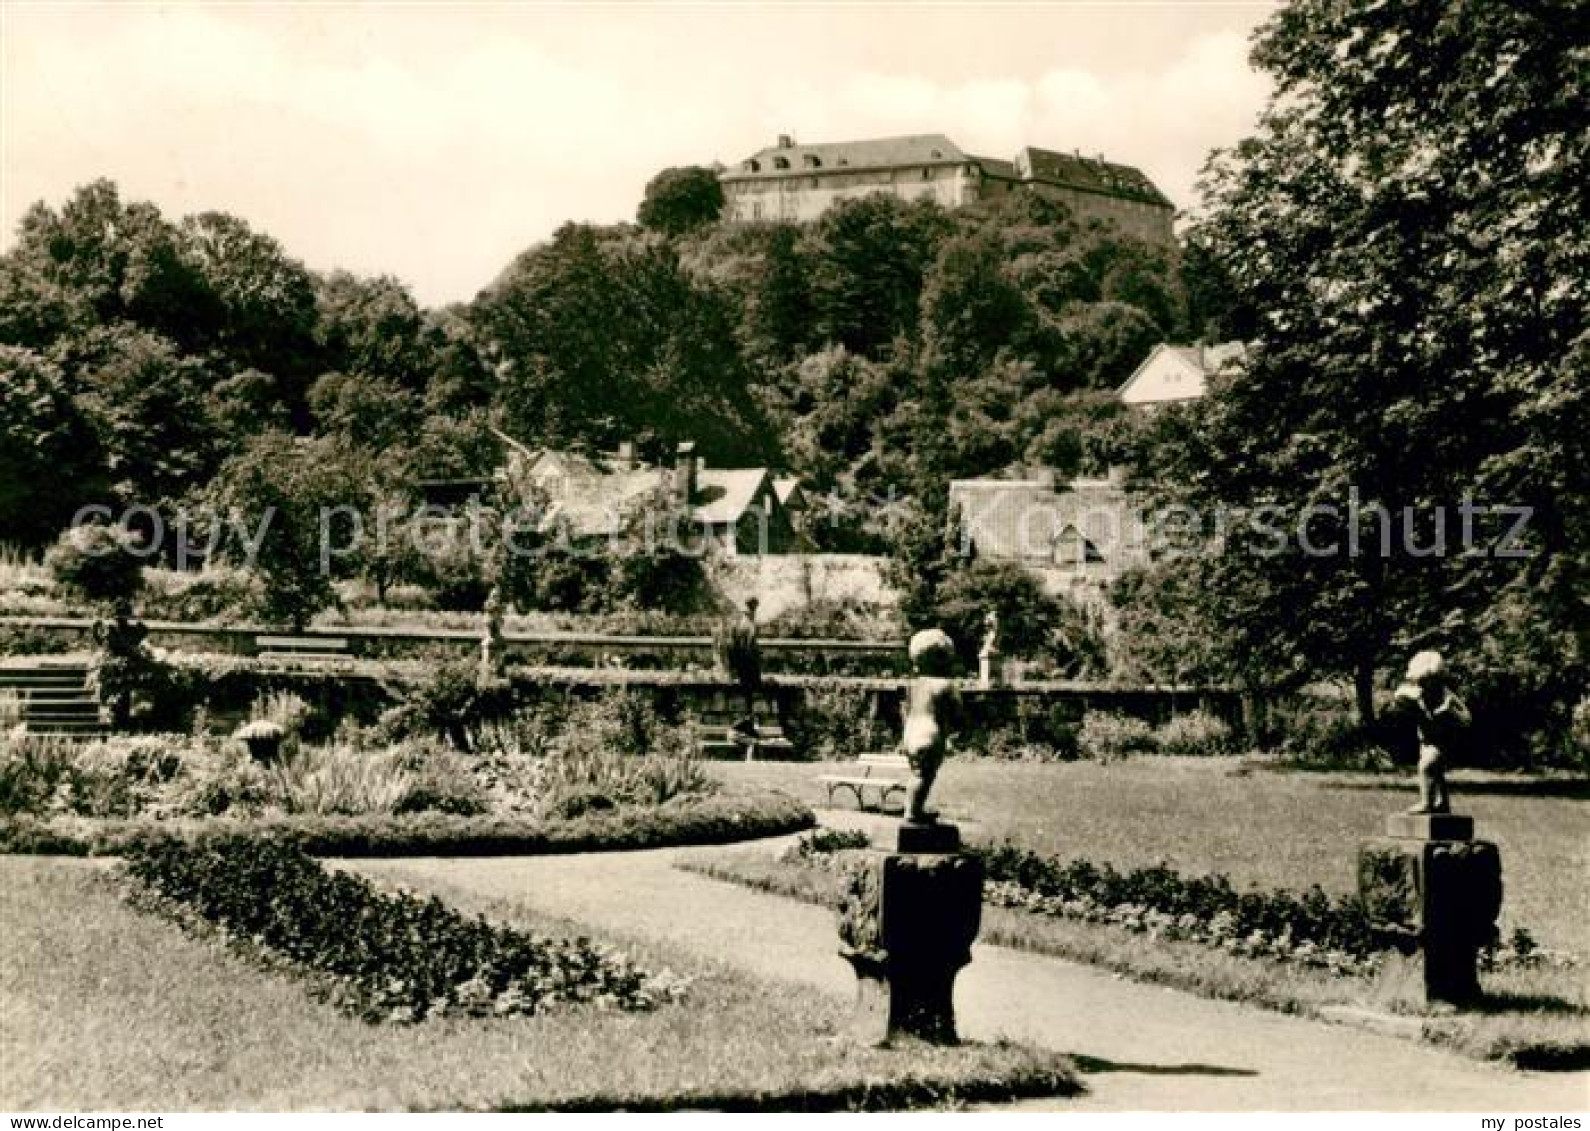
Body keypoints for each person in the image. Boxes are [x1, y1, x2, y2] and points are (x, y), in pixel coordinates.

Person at [1393, 650, 1469, 815]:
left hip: (1443, 741)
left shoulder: (1445, 695)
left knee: (1426, 767)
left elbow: (1467, 718)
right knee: (1436, 772)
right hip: (1426, 741)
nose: (1423, 685)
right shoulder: (1417, 691)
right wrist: (1409, 698)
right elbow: (1399, 695)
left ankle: (1426, 803)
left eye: (1428, 681)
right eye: (1420, 681)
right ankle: (1441, 803)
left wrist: (1450, 711)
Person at [902, 628, 959, 823]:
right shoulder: (944, 685)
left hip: (911, 734)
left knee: (916, 774)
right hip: (929, 735)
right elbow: (954, 712)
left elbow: (906, 711)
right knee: (925, 776)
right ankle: (913, 813)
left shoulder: (914, 685)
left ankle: (913, 809)